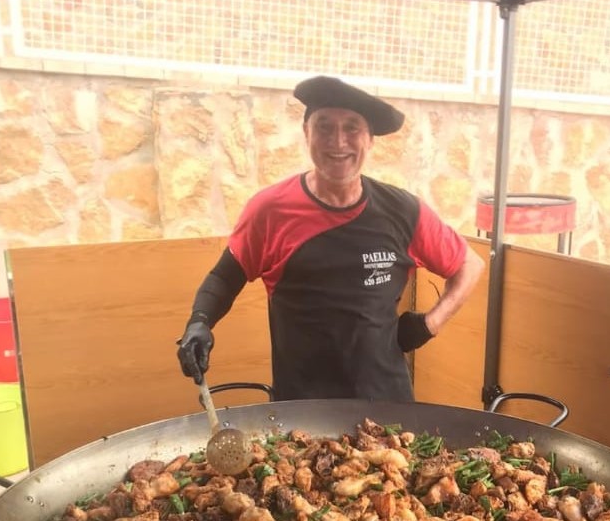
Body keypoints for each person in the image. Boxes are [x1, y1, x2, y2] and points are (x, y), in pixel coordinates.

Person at [177, 75, 484, 401]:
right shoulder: (270, 210)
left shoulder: (403, 211)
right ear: (306, 132)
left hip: (388, 407)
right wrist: (199, 323)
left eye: (352, 128)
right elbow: (224, 277)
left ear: (370, 140)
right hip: (302, 412)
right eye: (324, 126)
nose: (338, 141)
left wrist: (428, 325)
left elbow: (470, 265)